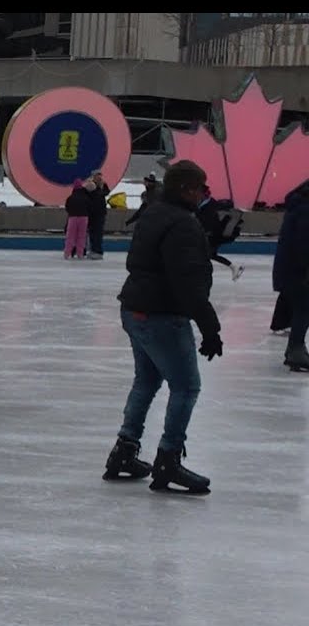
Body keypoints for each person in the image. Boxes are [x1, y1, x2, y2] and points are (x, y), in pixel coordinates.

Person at [104, 160, 220, 494]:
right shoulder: (182, 223)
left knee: (147, 380)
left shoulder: (154, 212)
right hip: (161, 314)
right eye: (201, 188)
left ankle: (124, 452)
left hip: (135, 309)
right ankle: (168, 460)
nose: (203, 194)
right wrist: (210, 328)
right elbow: (187, 282)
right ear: (186, 189)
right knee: (186, 387)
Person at [273, 178, 309, 371]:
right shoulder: (305, 210)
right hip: (298, 271)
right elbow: (304, 244)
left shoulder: (298, 206)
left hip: (291, 270)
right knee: (303, 310)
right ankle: (296, 350)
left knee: (302, 309)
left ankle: (295, 349)